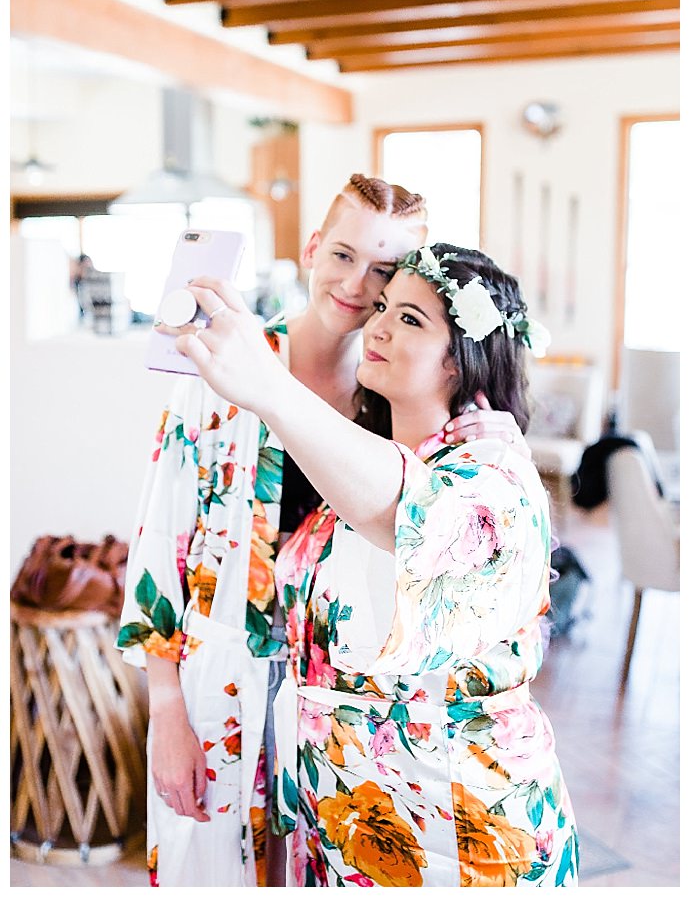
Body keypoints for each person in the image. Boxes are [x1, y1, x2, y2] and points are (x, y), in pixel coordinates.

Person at [117, 177, 529, 887]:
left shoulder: (398, 402)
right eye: (341, 254)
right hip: (222, 683)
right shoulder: (219, 371)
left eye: (382, 272)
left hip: (339, 714)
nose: (355, 285)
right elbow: (161, 549)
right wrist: (166, 709)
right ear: (312, 248)